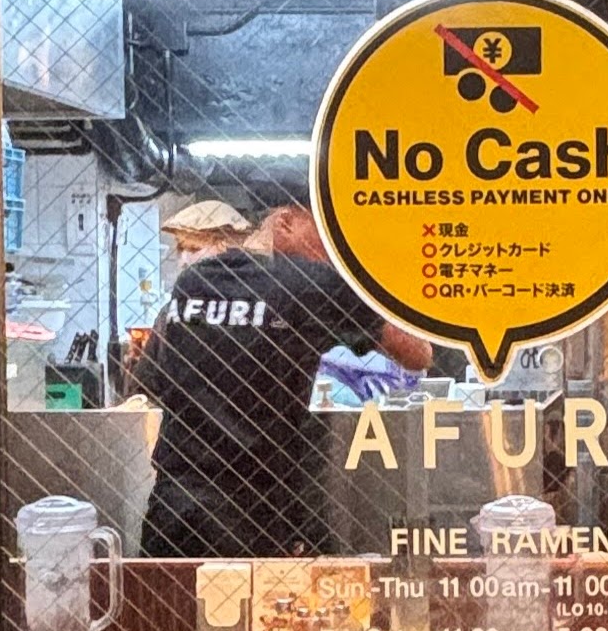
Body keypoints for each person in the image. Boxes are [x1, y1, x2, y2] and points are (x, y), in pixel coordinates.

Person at [134, 201, 431, 557]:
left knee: (168, 595)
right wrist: (369, 285)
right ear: (286, 220)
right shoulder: (309, 283)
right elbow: (418, 353)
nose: (336, 251)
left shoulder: (191, 283)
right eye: (328, 234)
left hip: (176, 507)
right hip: (261, 514)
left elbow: (150, 381)